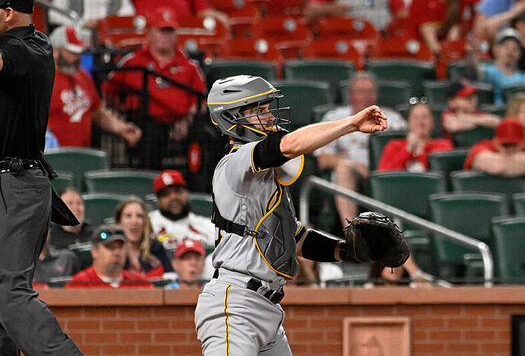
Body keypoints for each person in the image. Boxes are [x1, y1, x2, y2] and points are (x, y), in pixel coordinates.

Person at [195, 74, 390, 355]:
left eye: (267, 109)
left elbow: (294, 236)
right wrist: (350, 124)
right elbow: (287, 146)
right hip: (234, 305)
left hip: (267, 308)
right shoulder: (234, 162)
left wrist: (346, 250)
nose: (270, 117)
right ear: (232, 118)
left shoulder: (266, 178)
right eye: (259, 111)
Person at [0, 0, 83, 354]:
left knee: (9, 292)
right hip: (9, 181)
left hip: (17, 183)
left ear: (6, 13)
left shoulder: (29, 45)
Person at [101, 6, 206, 169]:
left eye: (169, 31)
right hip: (144, 121)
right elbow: (107, 91)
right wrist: (118, 119)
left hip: (182, 123)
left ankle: (200, 190)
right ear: (149, 32)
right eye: (161, 30)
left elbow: (202, 100)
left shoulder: (189, 65)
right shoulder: (132, 61)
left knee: (209, 136)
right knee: (151, 134)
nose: (166, 36)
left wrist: (186, 120)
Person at [314, 72, 406, 224]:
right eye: (360, 92)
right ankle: (352, 235)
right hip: (352, 173)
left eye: (370, 92)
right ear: (350, 95)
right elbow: (323, 159)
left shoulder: (393, 120)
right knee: (343, 169)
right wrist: (355, 165)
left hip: (385, 174)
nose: (365, 96)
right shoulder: (335, 118)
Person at [47, 25, 142, 148]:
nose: (77, 57)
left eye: (79, 52)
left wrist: (120, 127)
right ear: (55, 51)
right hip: (54, 159)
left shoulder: (82, 75)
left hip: (83, 156)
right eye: (72, 52)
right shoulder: (41, 80)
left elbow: (97, 111)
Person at [65, 224, 153, 288]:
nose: (116, 252)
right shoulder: (78, 285)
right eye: (110, 247)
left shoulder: (141, 284)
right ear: (95, 251)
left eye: (120, 247)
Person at [149, 169, 217, 250]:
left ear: (187, 193)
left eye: (178, 191)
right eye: (166, 194)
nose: (173, 197)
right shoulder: (147, 224)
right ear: (158, 201)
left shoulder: (208, 227)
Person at [471, 26, 525, 106]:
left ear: (520, 53)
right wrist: (471, 54)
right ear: (495, 49)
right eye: (506, 46)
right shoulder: (488, 70)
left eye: (515, 48)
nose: (511, 50)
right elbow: (476, 72)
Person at [378, 101, 453, 172]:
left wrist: (420, 152)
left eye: (425, 117)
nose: (420, 122)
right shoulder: (394, 146)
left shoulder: (443, 146)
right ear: (408, 122)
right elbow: (384, 176)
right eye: (415, 117)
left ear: (432, 122)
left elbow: (438, 176)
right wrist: (407, 150)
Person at [114, 196, 173, 279]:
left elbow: (171, 280)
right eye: (128, 216)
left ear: (145, 222)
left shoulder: (157, 250)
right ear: (119, 222)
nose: (134, 221)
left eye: (139, 216)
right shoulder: (112, 253)